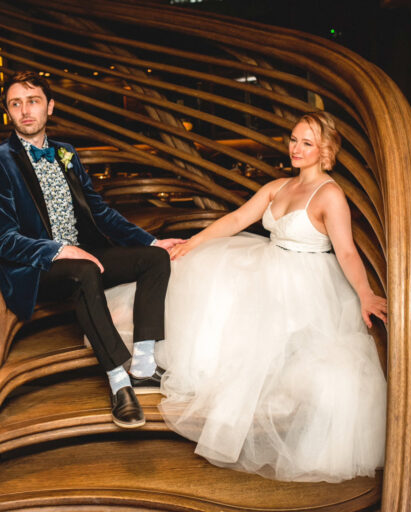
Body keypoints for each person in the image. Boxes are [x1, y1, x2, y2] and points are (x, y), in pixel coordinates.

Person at [158, 111, 388, 482]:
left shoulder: (330, 195)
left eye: (307, 143)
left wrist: (365, 293)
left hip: (306, 280)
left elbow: (346, 252)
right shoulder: (278, 187)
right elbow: (236, 220)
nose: (296, 148)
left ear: (325, 151)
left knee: (283, 350)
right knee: (204, 274)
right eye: (294, 139)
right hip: (267, 264)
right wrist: (193, 242)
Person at [0, 70, 182, 429]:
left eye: (33, 101)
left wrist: (149, 241)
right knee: (83, 271)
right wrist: (58, 250)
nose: (25, 111)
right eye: (16, 104)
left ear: (50, 107)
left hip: (83, 254)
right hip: (39, 266)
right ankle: (119, 384)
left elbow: (100, 212)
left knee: (155, 260)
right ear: (9, 112)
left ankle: (143, 365)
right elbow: (3, 238)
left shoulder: (66, 153)